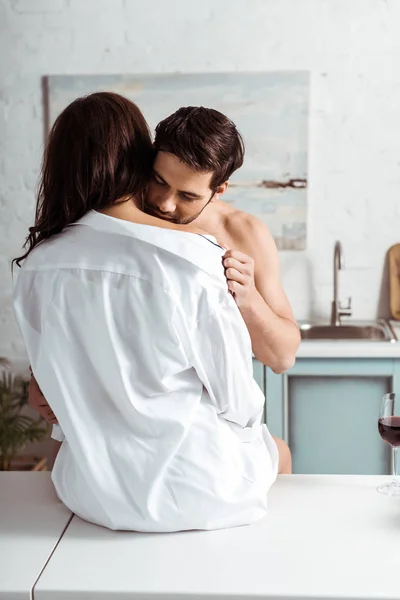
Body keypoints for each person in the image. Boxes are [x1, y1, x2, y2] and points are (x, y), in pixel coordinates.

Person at [13, 92, 284, 533]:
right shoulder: (195, 258)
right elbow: (239, 402)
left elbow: (54, 399)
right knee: (276, 450)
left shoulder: (35, 265)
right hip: (201, 492)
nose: (166, 201)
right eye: (160, 180)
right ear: (138, 158)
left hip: (92, 495)